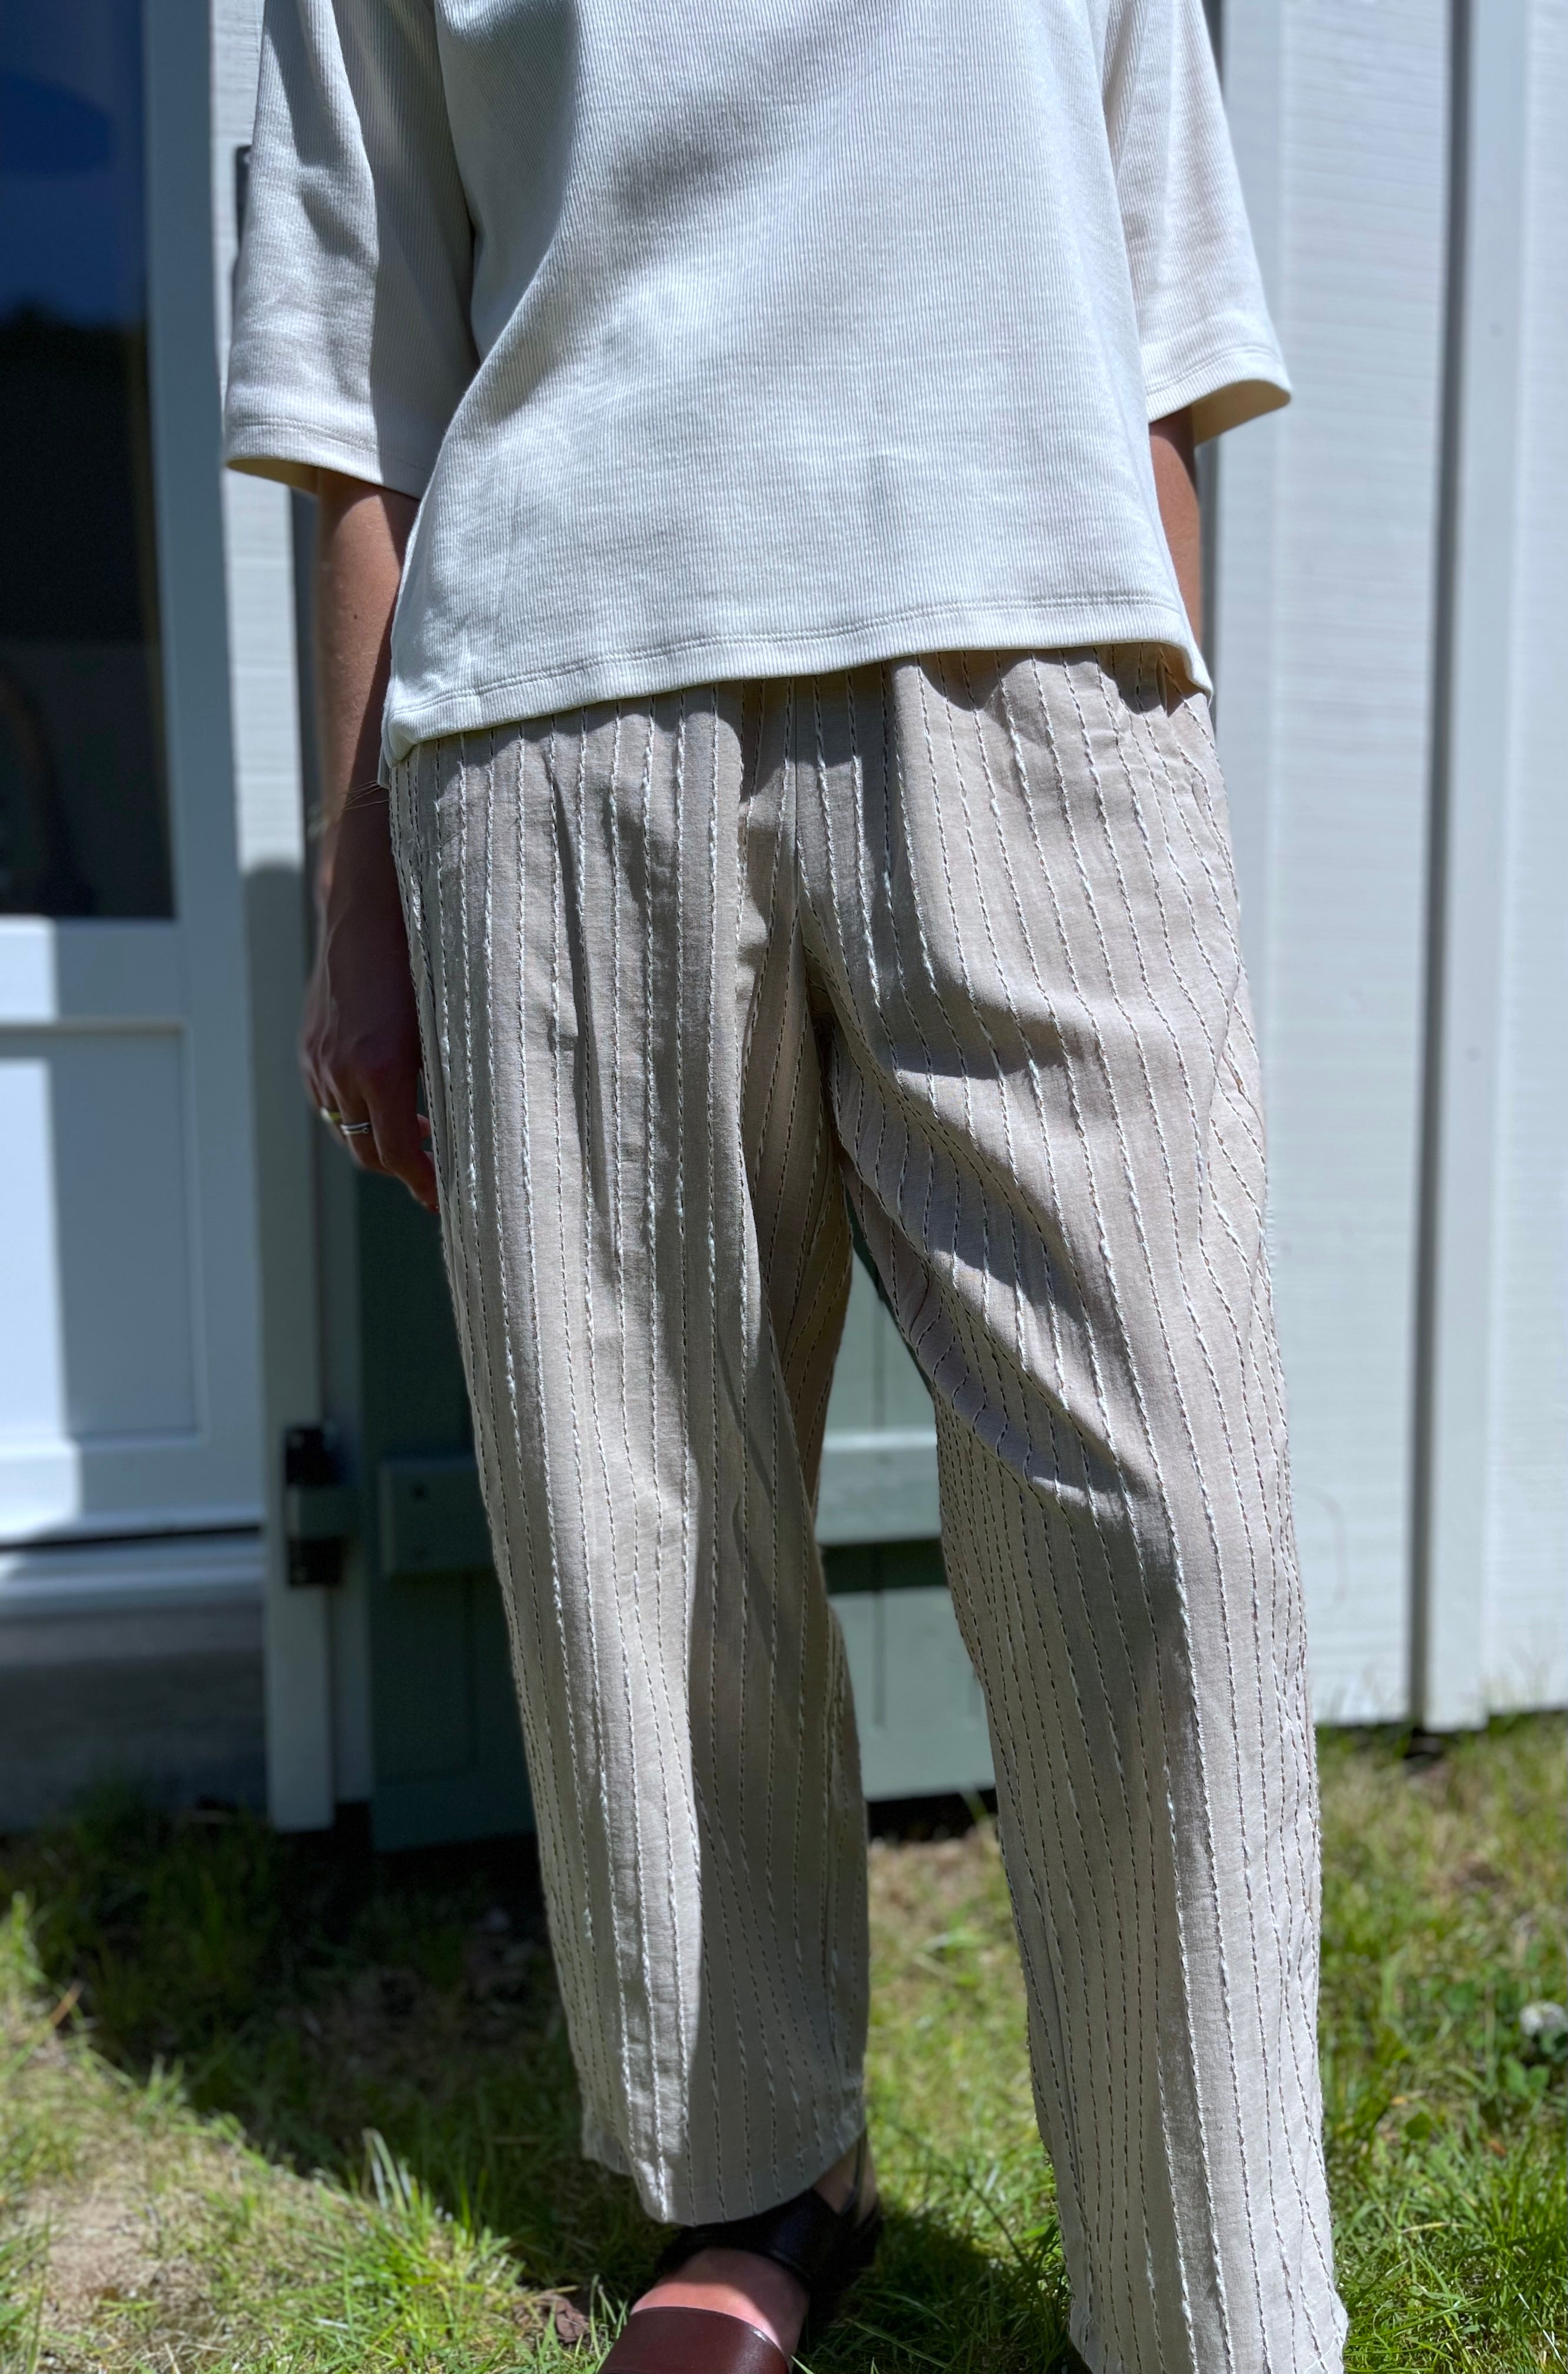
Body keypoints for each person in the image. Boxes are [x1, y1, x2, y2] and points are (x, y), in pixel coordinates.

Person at [225, 3, 1348, 2368]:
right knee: (644, 1534)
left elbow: (1161, 299)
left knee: (1169, 1530)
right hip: (553, 694)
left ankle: (1215, 2301)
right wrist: (359, 897)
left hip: (1030, 663)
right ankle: (761, 2173)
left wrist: (1156, 712)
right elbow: (357, 369)